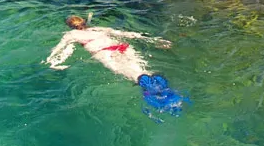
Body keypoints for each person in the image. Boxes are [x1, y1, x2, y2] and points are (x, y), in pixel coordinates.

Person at [45, 15, 187, 118]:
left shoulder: (71, 34)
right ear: (84, 22)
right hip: (123, 47)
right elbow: (126, 34)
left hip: (105, 53)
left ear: (70, 26)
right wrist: (153, 40)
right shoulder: (97, 29)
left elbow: (60, 49)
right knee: (140, 70)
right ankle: (161, 87)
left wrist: (53, 62)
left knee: (132, 75)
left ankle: (160, 98)